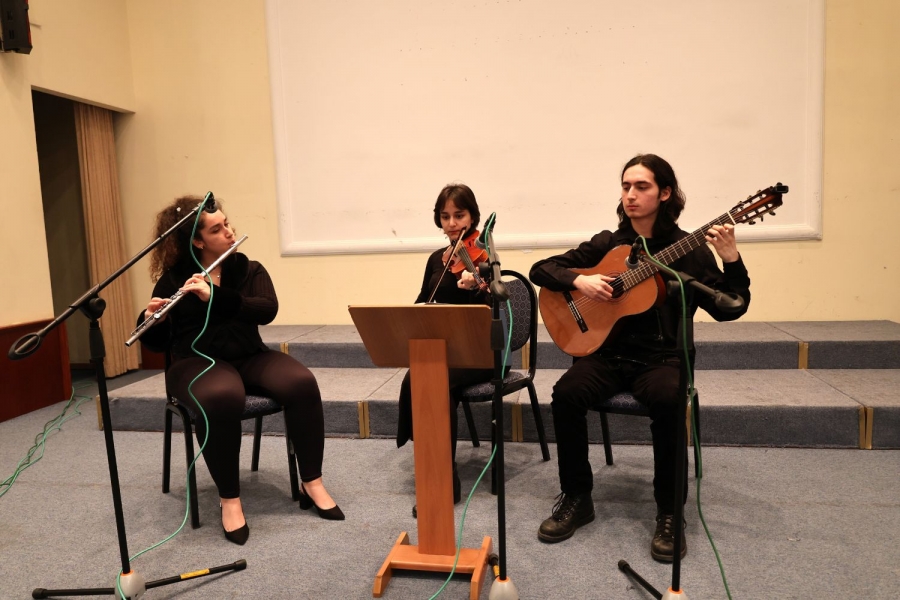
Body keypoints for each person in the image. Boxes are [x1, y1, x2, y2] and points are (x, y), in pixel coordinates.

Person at [529, 154, 750, 561]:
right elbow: (541, 269)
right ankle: (578, 497)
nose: (631, 195)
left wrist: (732, 259)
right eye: (626, 186)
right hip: (607, 355)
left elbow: (731, 306)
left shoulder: (688, 251)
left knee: (668, 401)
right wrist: (580, 280)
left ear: (665, 193)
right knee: (567, 393)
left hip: (661, 359)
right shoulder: (609, 244)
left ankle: (669, 512)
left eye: (642, 187)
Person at [139, 195, 344, 546]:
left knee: (301, 382)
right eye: (217, 229)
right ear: (198, 241)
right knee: (221, 396)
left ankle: (312, 481)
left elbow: (266, 309)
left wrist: (213, 296)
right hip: (194, 362)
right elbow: (157, 344)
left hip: (248, 355)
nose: (230, 233)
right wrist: (150, 319)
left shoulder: (247, 270)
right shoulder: (174, 279)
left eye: (227, 224)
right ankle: (230, 498)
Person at [396, 183, 493, 517]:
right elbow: (424, 299)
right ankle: (438, 473)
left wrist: (477, 287)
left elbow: (494, 306)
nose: (452, 223)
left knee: (433, 379)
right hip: (446, 354)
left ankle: (439, 476)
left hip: (482, 354)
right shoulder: (436, 260)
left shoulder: (484, 257)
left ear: (473, 217)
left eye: (459, 215)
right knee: (422, 378)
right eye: (445, 216)